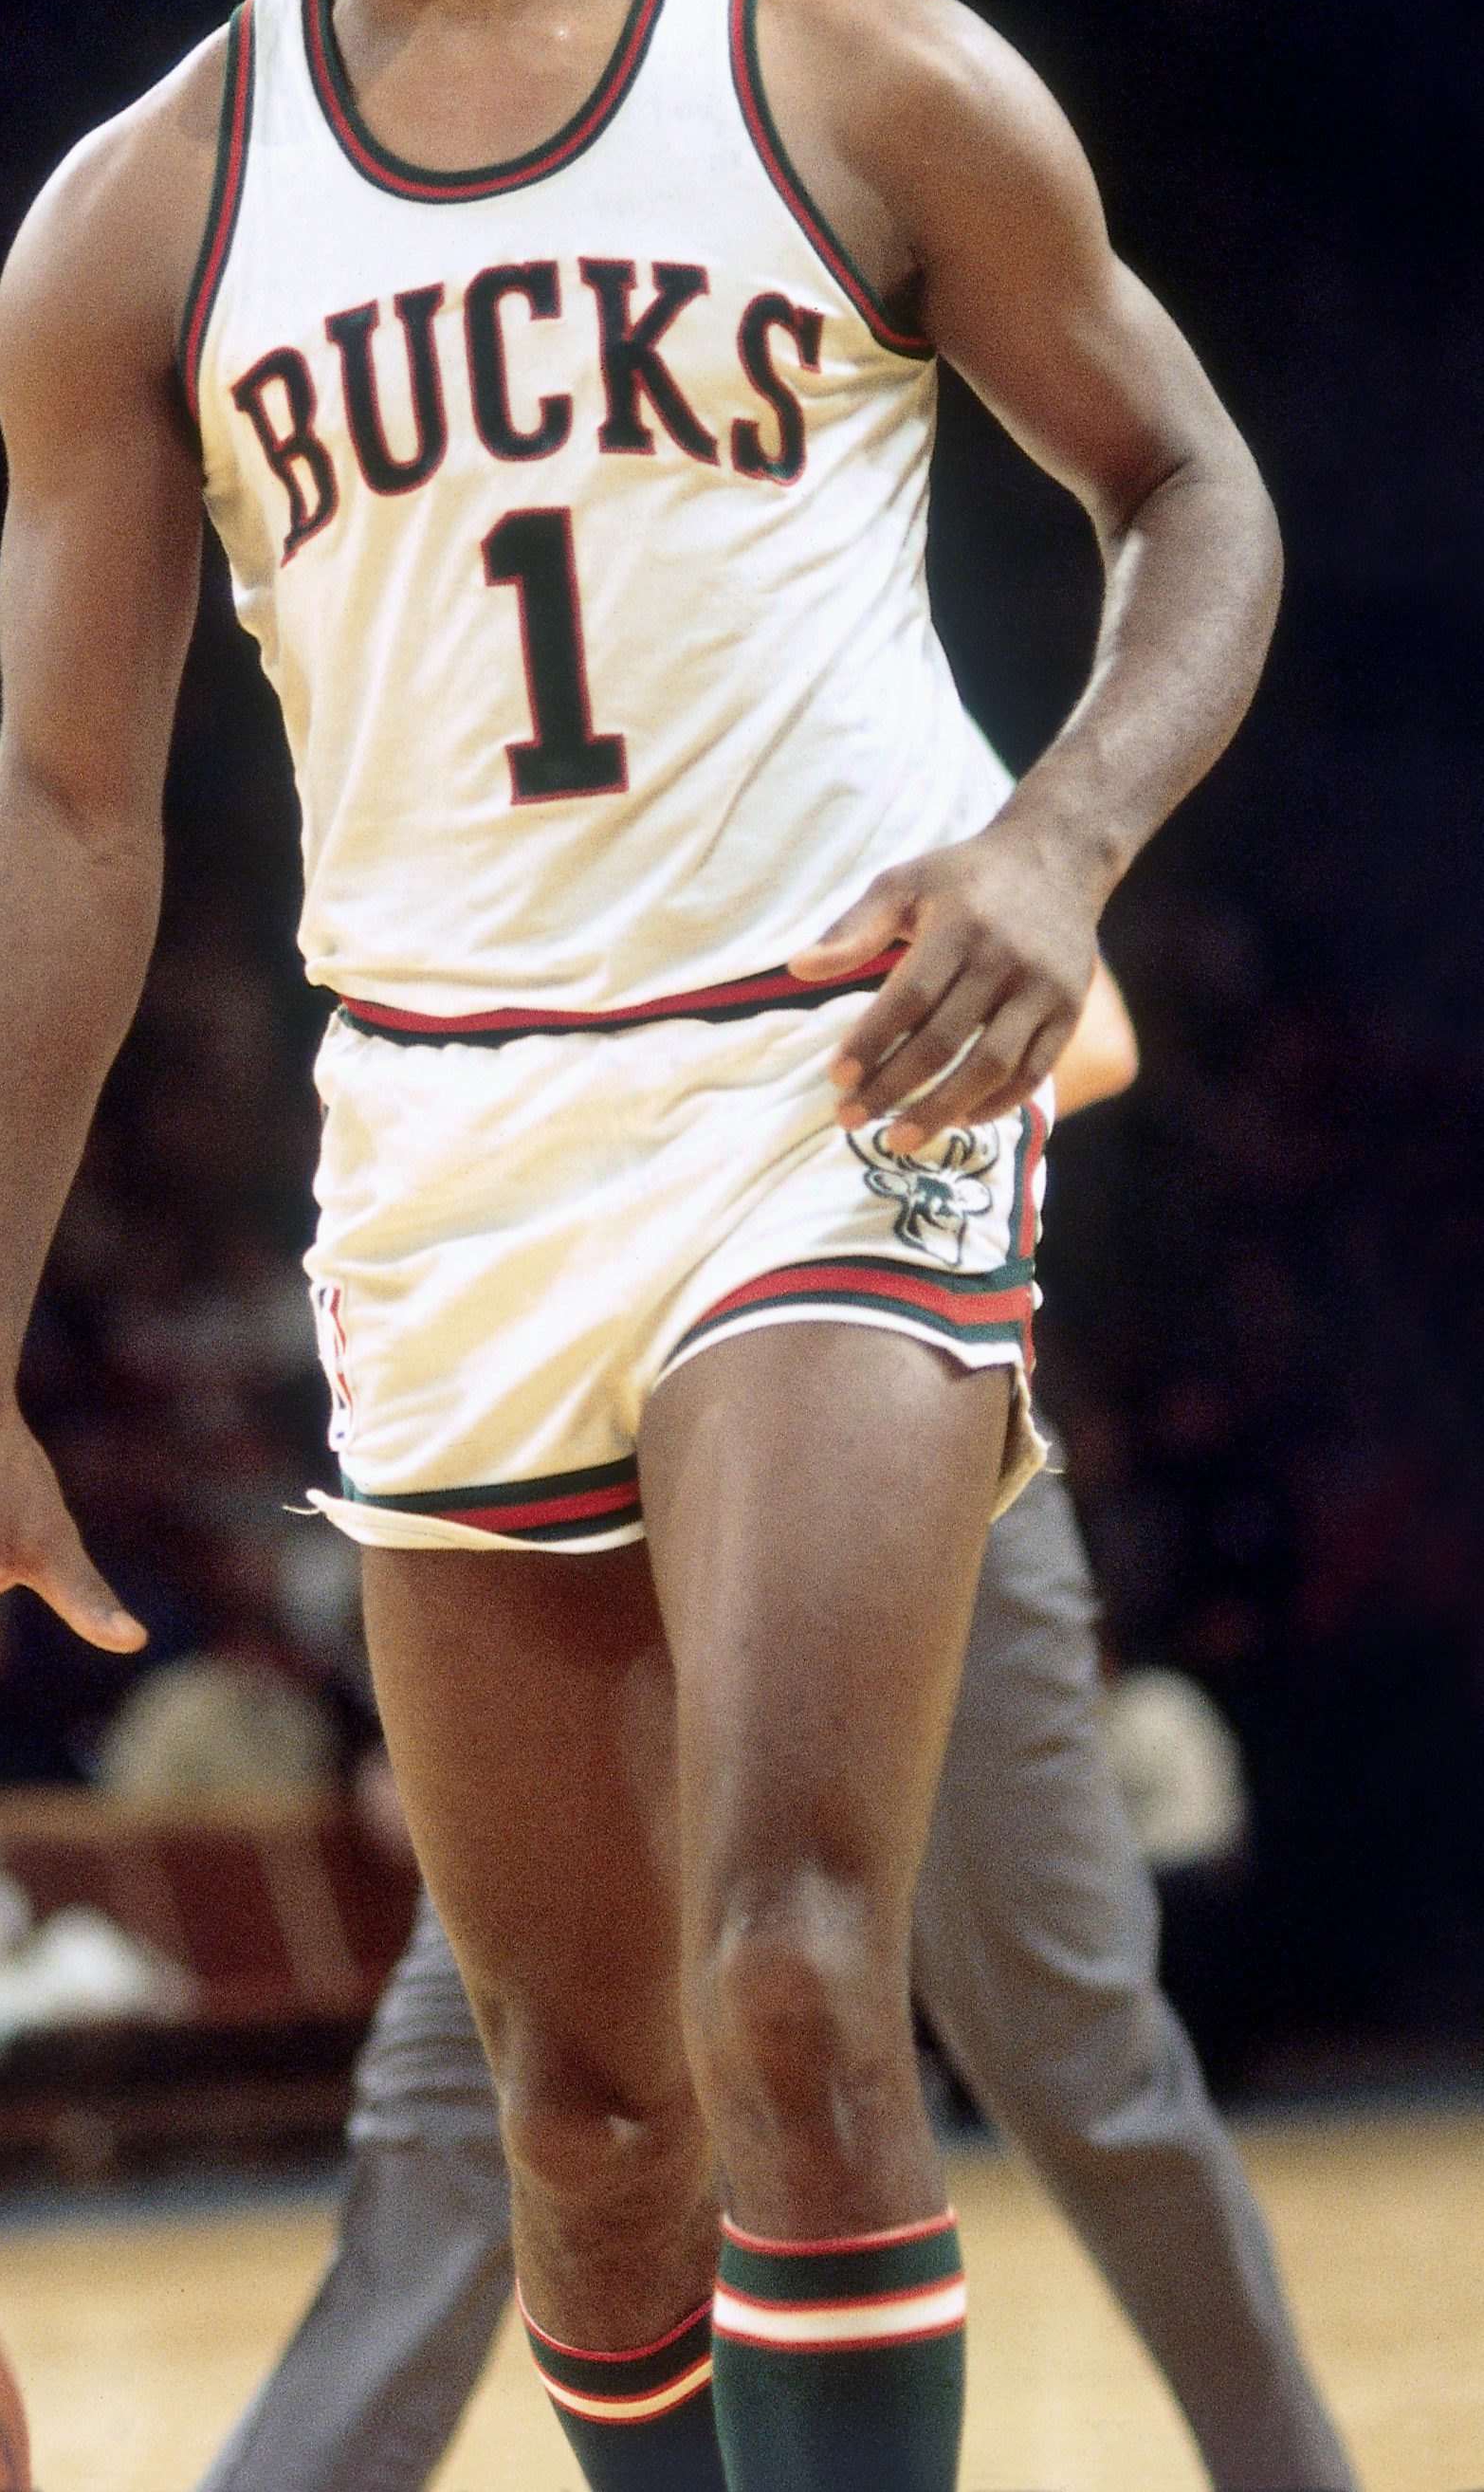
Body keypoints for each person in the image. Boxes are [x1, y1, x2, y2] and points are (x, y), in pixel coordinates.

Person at [0, 0, 1283, 2492]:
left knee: (781, 1974)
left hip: (821, 1071)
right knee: (584, 2116)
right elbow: (60, 811)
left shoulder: (844, 68)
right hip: (446, 1134)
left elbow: (1191, 495)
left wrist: (1049, 834)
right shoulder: (139, 214)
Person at [193, 984, 1356, 2492]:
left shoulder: (829, 762)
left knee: (1071, 2049)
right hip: (584, 1465)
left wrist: (751, 1099)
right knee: (490, 2087)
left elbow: (1102, 1027)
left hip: (885, 1442)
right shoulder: (482, 836)